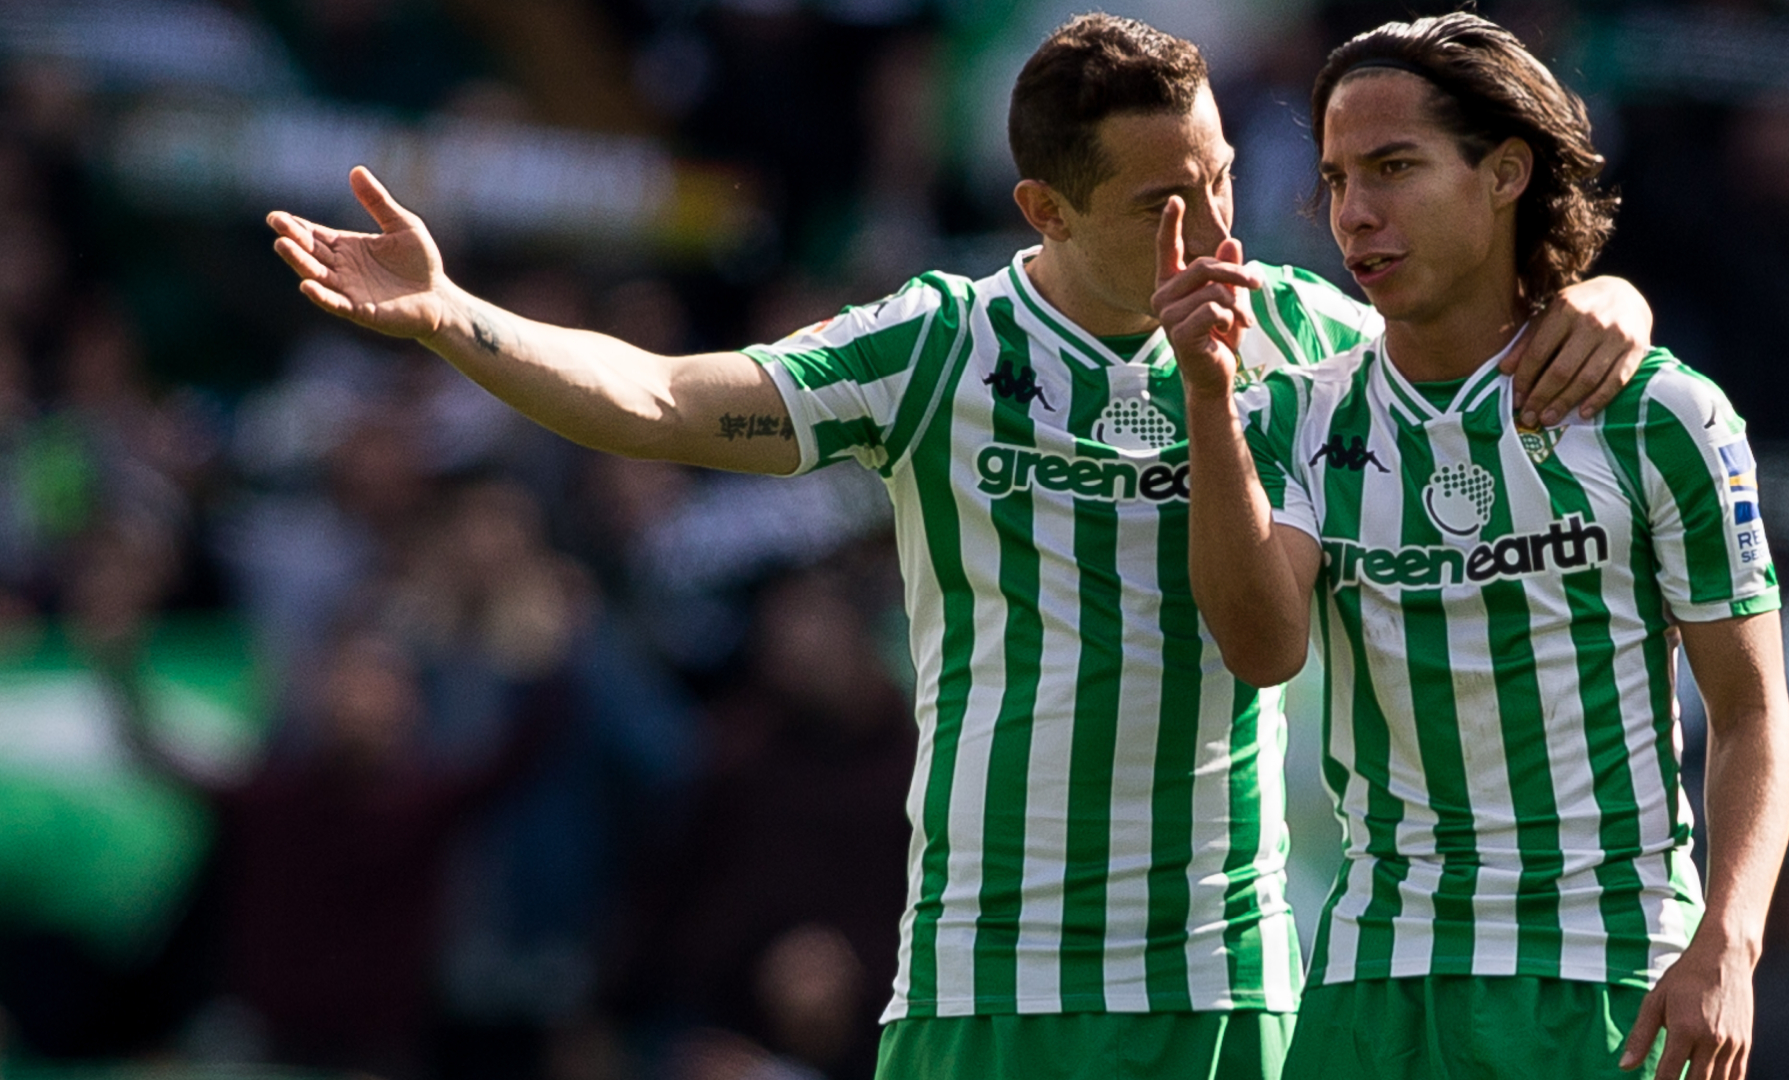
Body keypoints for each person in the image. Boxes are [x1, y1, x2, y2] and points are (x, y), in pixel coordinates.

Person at [267, 14, 1657, 1078]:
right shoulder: (947, 345)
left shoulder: (1308, 337)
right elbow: (671, 399)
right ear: (1046, 213)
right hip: (983, 972)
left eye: (1225, 177)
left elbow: (1494, 341)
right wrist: (458, 318)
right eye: (1162, 203)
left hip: (1224, 979)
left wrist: (1611, 294)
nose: (1215, 229)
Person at [1158, 12, 1789, 1080]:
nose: (1355, 216)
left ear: (1505, 172)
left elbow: (1750, 708)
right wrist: (1209, 401)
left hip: (1607, 975)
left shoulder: (1660, 413)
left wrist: (1728, 941)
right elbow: (1262, 650)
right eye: (1336, 179)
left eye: (1395, 168)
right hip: (1374, 979)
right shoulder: (1298, 416)